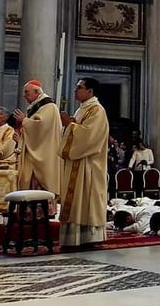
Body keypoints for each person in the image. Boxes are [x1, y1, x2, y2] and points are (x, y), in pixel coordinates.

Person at [58, 77, 110, 247]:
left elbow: (90, 137)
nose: (75, 90)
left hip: (89, 165)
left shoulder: (97, 111)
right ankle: (73, 238)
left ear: (90, 91)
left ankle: (88, 238)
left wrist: (70, 126)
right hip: (77, 163)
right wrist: (70, 125)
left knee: (86, 200)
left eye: (79, 87)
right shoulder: (82, 109)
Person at [13, 80, 62, 194]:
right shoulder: (38, 107)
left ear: (37, 92)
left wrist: (24, 120)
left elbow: (40, 127)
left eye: (26, 92)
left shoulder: (49, 106)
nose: (24, 95)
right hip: (35, 151)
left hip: (44, 154)